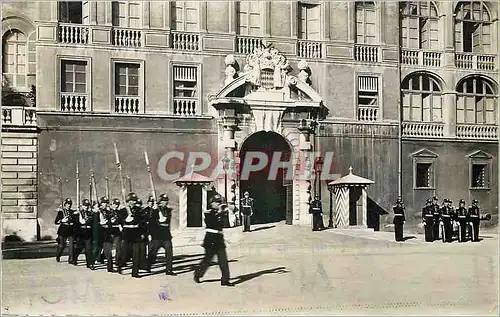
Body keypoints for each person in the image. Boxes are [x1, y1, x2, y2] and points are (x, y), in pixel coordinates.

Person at [194, 194, 234, 287]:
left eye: (219, 202)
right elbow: (212, 223)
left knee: (223, 260)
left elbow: (222, 225)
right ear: (211, 203)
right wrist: (219, 213)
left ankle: (225, 280)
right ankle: (198, 274)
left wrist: (223, 212)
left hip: (219, 239)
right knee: (207, 260)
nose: (218, 204)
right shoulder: (207, 213)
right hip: (210, 239)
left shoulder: (222, 213)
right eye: (216, 202)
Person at [146, 194, 176, 275]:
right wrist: (153, 211)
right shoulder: (155, 210)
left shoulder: (168, 210)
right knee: (153, 253)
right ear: (160, 201)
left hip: (166, 236)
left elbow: (167, 223)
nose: (165, 202)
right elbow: (151, 221)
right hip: (157, 236)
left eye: (166, 201)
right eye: (163, 201)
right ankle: (147, 266)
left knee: (169, 253)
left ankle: (169, 270)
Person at [118, 193, 143, 278]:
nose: (133, 202)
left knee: (136, 254)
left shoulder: (138, 210)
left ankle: (135, 272)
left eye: (134, 200)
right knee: (125, 253)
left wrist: (141, 232)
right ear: (128, 201)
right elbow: (119, 220)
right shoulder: (123, 210)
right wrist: (125, 220)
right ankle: (120, 265)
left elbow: (141, 221)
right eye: (131, 200)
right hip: (127, 233)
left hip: (136, 234)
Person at [101, 198, 122, 272]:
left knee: (119, 248)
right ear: (111, 204)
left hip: (117, 232)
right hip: (108, 232)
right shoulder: (106, 212)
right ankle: (109, 267)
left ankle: (118, 263)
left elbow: (121, 221)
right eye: (114, 204)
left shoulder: (119, 212)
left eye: (117, 205)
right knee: (108, 250)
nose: (116, 206)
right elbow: (104, 222)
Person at [74, 199, 94, 268]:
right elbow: (76, 225)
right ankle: (74, 258)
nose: (86, 207)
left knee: (88, 249)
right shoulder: (78, 213)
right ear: (82, 206)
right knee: (79, 248)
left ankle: (89, 264)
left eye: (87, 206)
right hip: (80, 233)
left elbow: (92, 223)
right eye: (85, 206)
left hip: (88, 233)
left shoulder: (90, 213)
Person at [54, 198, 75, 263]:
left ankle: (71, 259)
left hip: (70, 230)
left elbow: (75, 221)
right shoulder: (61, 212)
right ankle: (58, 255)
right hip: (62, 230)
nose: (69, 205)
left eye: (70, 204)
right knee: (62, 246)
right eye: (67, 204)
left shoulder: (72, 212)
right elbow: (56, 222)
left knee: (71, 246)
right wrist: (62, 220)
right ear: (65, 204)